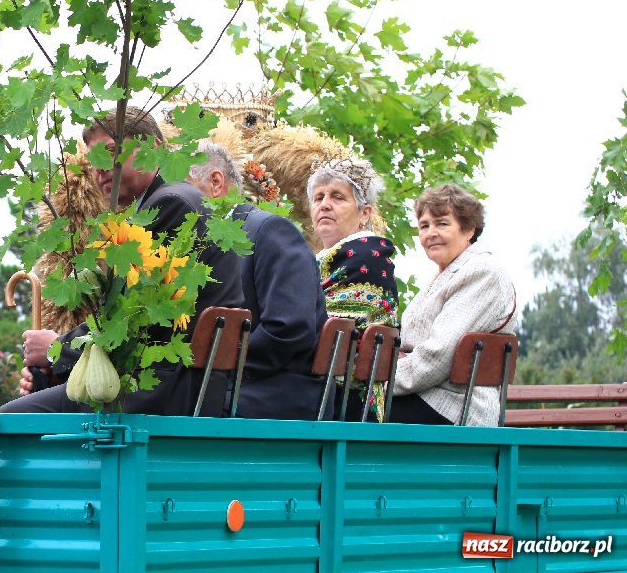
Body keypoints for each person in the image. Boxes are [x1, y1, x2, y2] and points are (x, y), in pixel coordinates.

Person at [0, 107, 244, 415]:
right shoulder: (165, 203)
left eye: (111, 151)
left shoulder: (170, 205)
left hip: (161, 391)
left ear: (153, 148)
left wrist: (55, 349)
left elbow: (130, 322)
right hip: (171, 385)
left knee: (8, 421)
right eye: (93, 160)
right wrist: (58, 368)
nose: (99, 168)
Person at [186, 141, 329, 419]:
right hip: (223, 386)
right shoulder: (197, 243)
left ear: (215, 182)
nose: (173, 198)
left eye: (182, 187)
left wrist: (216, 368)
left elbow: (289, 329)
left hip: (273, 391)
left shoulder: (269, 230)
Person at [390, 184, 516, 426]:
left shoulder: (482, 272)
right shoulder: (446, 274)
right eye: (424, 226)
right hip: (424, 395)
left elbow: (438, 357)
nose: (430, 233)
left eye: (442, 224)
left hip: (455, 406)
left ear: (469, 229)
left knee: (346, 407)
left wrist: (379, 382)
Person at [308, 155, 399, 421]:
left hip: (345, 404)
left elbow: (317, 331)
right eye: (318, 197)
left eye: (338, 197)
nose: (325, 204)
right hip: (321, 393)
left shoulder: (365, 257)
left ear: (365, 213)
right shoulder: (324, 259)